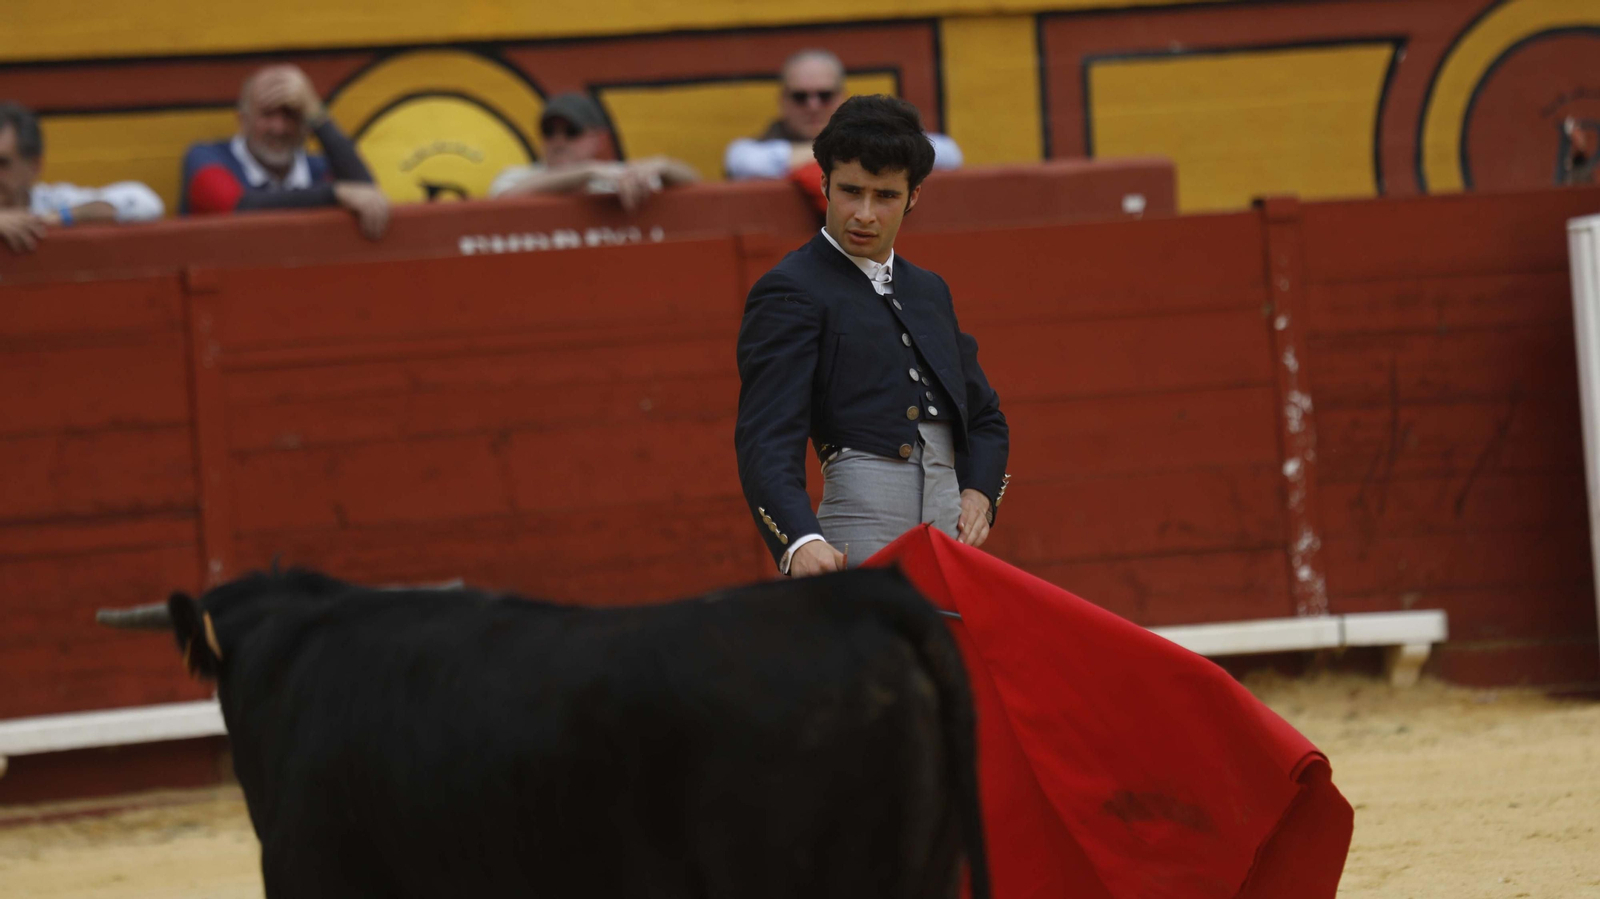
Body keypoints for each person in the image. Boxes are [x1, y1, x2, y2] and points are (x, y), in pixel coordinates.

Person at [734, 95, 1009, 577]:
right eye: (850, 191)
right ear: (823, 183)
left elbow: (984, 415)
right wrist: (799, 539)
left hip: (951, 541)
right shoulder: (792, 288)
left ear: (914, 196)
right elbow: (767, 436)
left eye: (885, 196)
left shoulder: (927, 290)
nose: (864, 214)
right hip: (856, 533)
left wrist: (979, 492)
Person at [180, 64, 389, 240]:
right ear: (243, 120)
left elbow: (367, 197)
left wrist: (318, 115)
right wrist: (333, 194)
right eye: (267, 114)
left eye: (291, 114)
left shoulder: (320, 169)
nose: (279, 128)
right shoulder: (206, 159)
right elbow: (234, 206)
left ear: (306, 122)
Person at [723, 50, 963, 181]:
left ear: (842, 97)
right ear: (783, 101)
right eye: (800, 96)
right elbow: (741, 160)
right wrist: (864, 148)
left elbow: (949, 152)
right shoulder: (752, 150)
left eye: (824, 95)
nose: (813, 105)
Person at [0, 101, 163, 253]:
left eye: (2, 163)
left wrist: (58, 217)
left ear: (34, 166)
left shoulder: (51, 202)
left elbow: (144, 201)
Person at [489, 93, 698, 210]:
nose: (559, 141)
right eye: (549, 131)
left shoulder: (617, 176)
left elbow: (693, 182)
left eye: (572, 131)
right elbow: (505, 201)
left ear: (597, 140)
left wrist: (660, 166)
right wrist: (587, 172)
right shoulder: (516, 176)